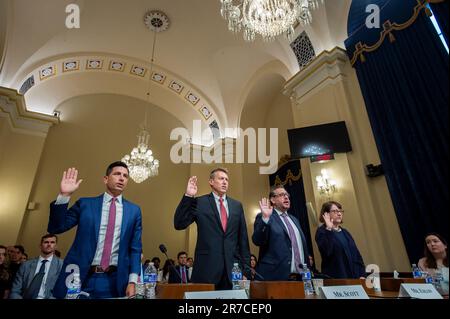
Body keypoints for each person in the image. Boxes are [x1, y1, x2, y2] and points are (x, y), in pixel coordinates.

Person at [47, 162, 143, 299]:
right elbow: (56, 228)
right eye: (117, 174)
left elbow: (135, 249)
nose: (122, 178)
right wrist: (64, 195)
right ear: (105, 179)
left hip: (115, 280)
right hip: (80, 276)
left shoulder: (134, 211)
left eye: (125, 176)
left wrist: (132, 281)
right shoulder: (85, 204)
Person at [174, 168, 250, 289]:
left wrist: (246, 271)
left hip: (232, 272)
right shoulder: (199, 202)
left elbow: (243, 240)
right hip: (206, 270)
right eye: (221, 179)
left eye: (227, 179)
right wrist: (188, 196)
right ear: (211, 182)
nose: (225, 182)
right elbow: (179, 223)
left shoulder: (237, 206)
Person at [252, 185, 310, 281]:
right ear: (273, 200)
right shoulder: (265, 216)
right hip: (275, 277)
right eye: (282, 195)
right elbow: (258, 240)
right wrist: (265, 219)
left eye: (287, 195)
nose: (286, 197)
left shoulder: (294, 219)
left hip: (300, 277)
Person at [315, 201, 365, 279]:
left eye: (340, 211)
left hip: (355, 278)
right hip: (336, 279)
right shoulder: (322, 231)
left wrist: (362, 274)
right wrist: (329, 228)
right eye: (335, 211)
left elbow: (357, 255)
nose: (339, 214)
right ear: (326, 214)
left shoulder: (345, 232)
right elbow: (327, 251)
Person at [9, 234, 63, 299]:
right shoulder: (26, 265)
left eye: (52, 242)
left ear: (56, 246)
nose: (49, 244)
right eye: (46, 242)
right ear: (40, 246)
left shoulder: (61, 265)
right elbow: (15, 291)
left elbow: (62, 291)